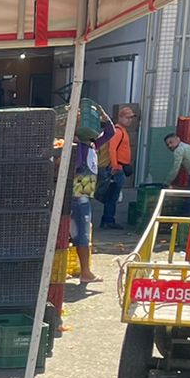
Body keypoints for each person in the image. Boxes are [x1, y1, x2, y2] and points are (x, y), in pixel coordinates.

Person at [97, 105, 135, 229]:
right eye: (127, 117)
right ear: (120, 117)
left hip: (119, 167)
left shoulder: (122, 131)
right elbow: (112, 149)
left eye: (131, 118)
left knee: (112, 195)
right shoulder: (118, 131)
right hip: (117, 168)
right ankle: (108, 220)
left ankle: (107, 220)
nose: (129, 120)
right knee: (112, 196)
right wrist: (115, 166)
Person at [69, 138, 100, 284]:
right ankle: (85, 272)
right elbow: (76, 164)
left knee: (81, 233)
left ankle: (85, 271)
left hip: (84, 194)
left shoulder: (92, 145)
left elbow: (109, 133)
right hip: (79, 194)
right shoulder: (81, 146)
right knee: (82, 233)